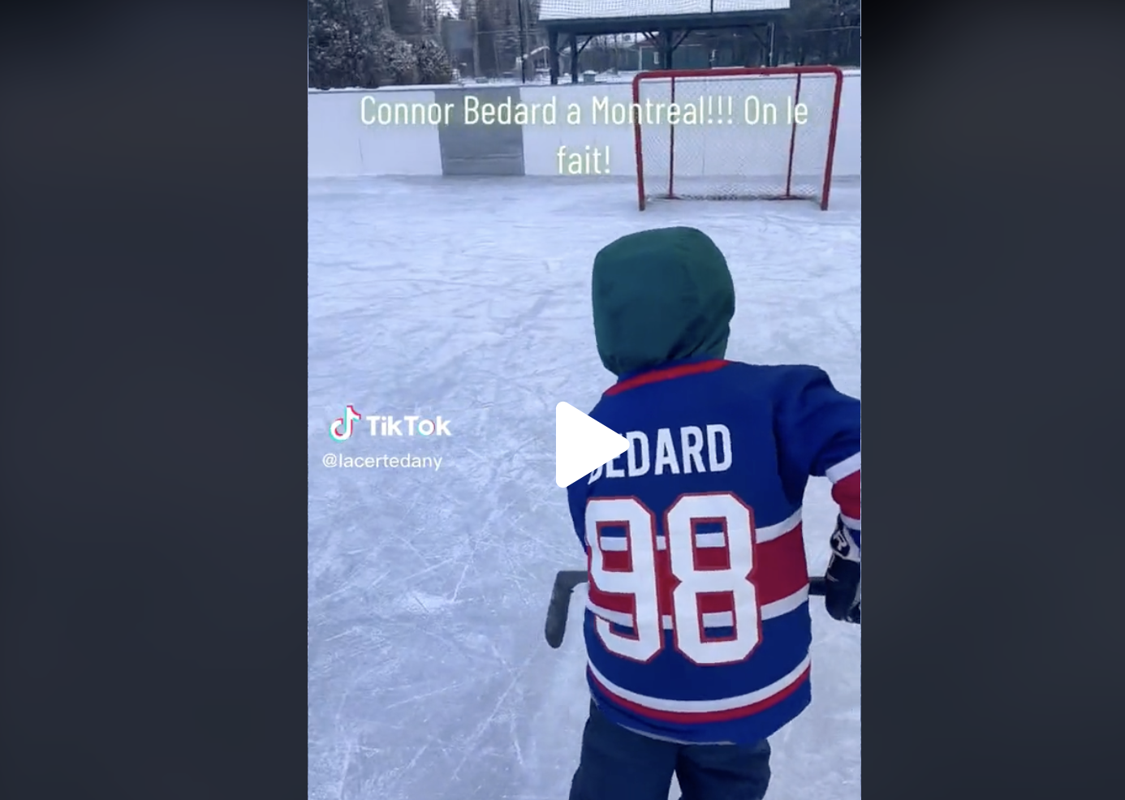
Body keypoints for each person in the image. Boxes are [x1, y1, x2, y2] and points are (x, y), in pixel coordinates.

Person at [565, 226, 861, 800]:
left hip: (629, 687)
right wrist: (853, 552)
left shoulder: (585, 434)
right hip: (744, 687)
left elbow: (596, 543)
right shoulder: (776, 397)